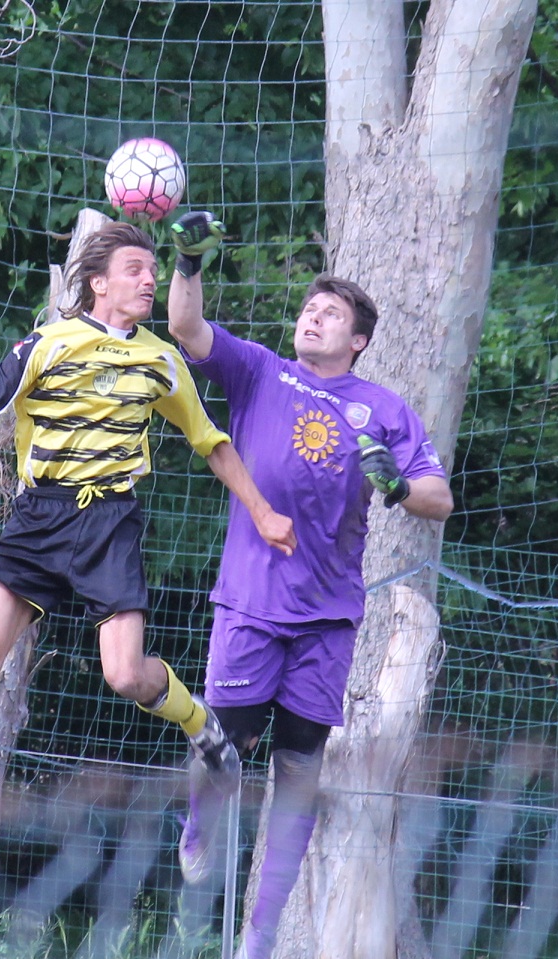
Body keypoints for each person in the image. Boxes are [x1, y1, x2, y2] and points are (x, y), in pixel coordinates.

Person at [0, 221, 297, 846]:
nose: (149, 280)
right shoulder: (47, 344)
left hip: (109, 522)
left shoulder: (160, 359)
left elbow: (210, 442)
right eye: (135, 270)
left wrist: (263, 512)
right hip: (40, 518)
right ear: (98, 283)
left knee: (126, 676)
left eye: (152, 271)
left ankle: (201, 726)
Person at [166, 212, 454, 959]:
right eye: (309, 308)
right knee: (222, 747)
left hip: (327, 620)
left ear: (357, 340)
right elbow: (185, 327)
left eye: (330, 313)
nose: (313, 316)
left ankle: (260, 937)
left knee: (297, 772)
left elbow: (438, 498)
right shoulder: (261, 370)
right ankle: (199, 825)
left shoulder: (383, 409)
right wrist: (188, 260)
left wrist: (396, 485)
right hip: (251, 606)